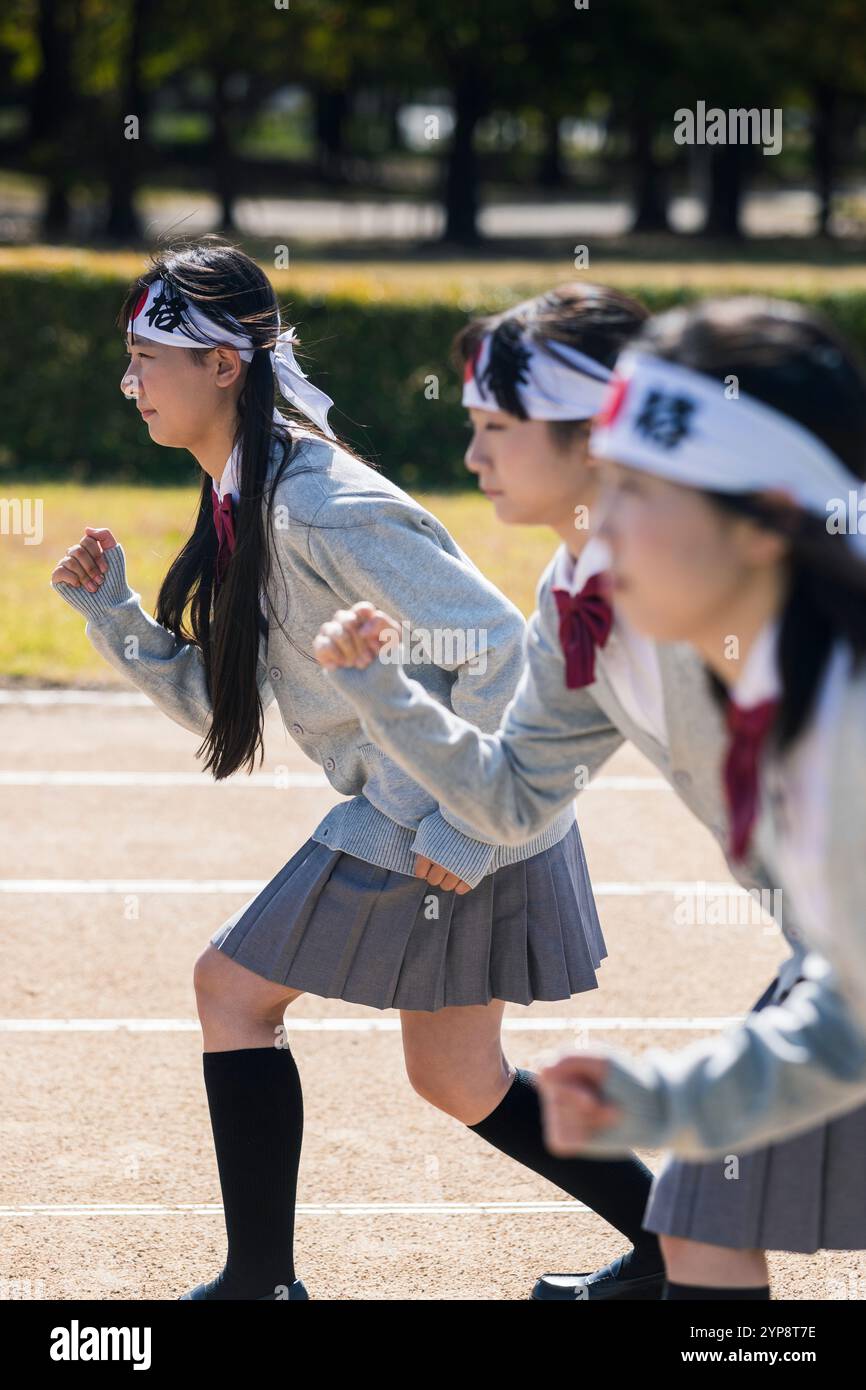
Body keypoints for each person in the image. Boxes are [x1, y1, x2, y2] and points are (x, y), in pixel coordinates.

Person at [49, 239, 654, 1301]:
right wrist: (116, 616)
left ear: (223, 365)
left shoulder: (318, 500)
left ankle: (261, 1284)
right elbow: (224, 702)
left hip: (444, 815)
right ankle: (672, 1253)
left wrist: (467, 830)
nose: (128, 380)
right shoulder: (250, 495)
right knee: (456, 1078)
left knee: (229, 990)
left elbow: (502, 655)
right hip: (429, 811)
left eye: (147, 356)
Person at [314, 290, 866, 1300]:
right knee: (705, 1205)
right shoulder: (603, 603)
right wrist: (383, 693)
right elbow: (516, 792)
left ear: (760, 523)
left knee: (710, 1200)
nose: (597, 531)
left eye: (631, 490)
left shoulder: (837, 733)